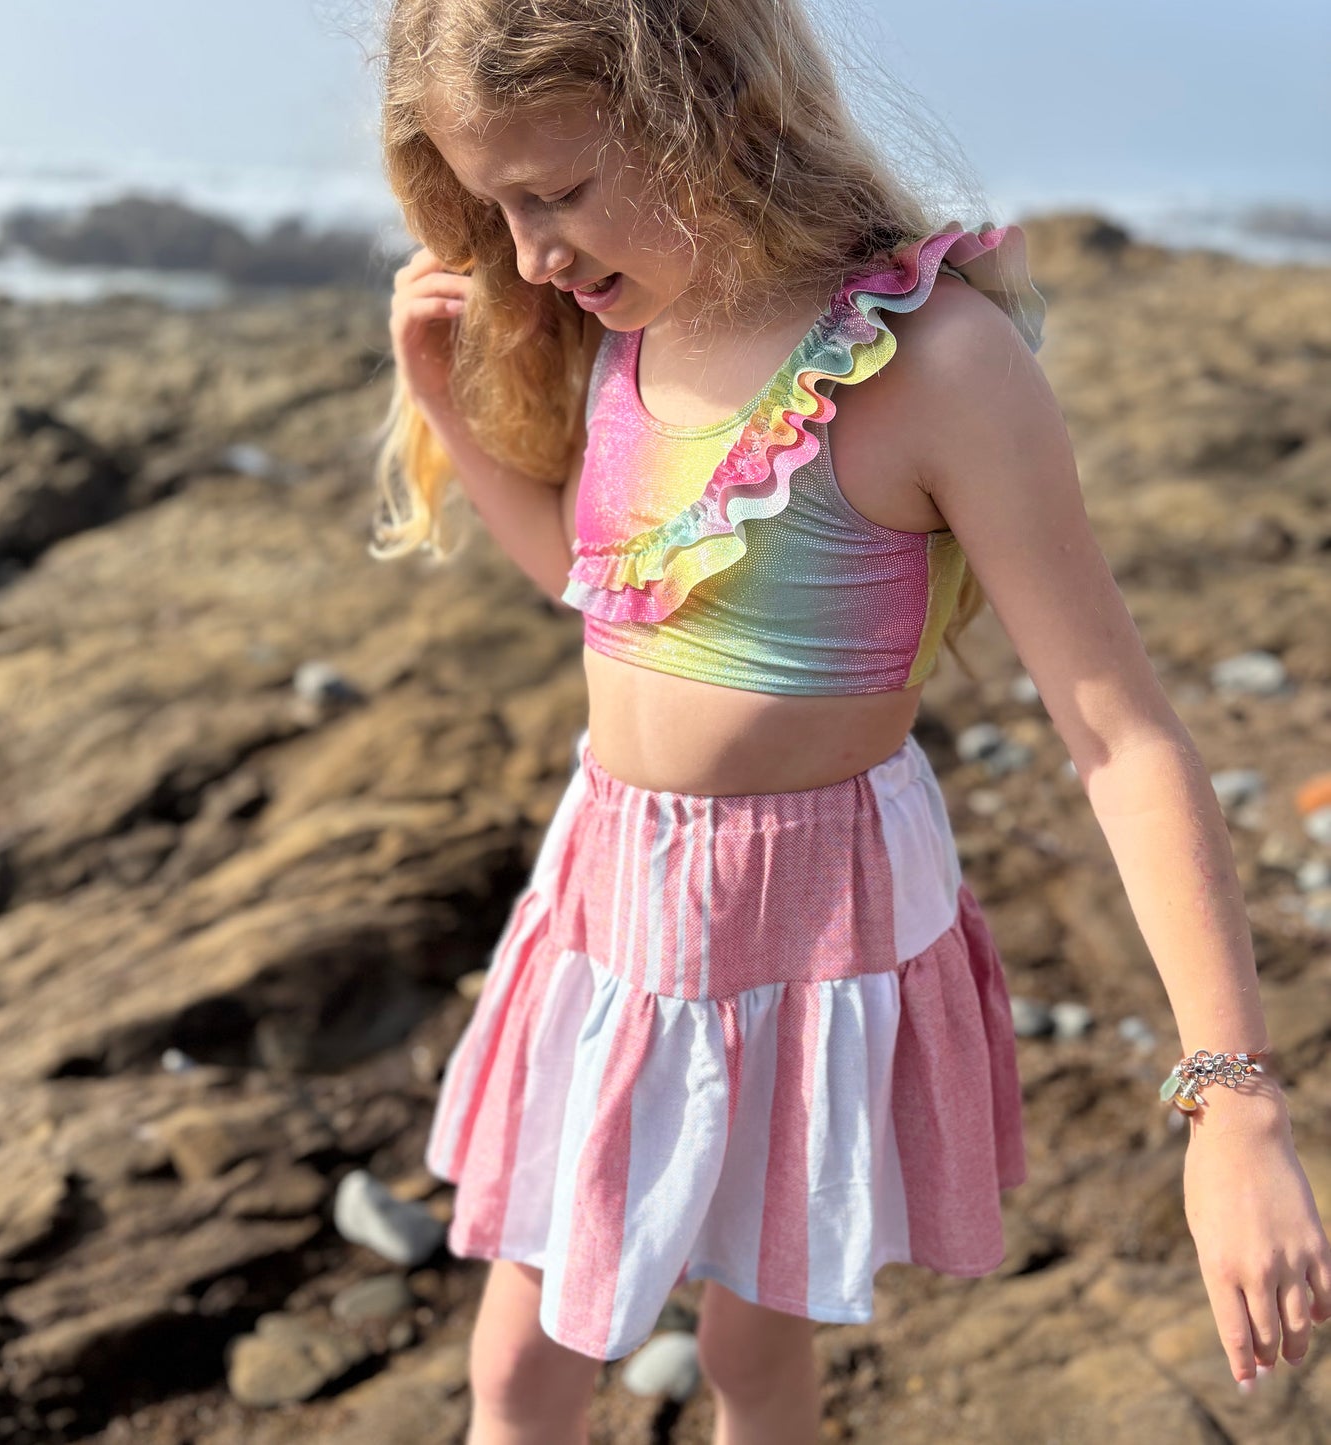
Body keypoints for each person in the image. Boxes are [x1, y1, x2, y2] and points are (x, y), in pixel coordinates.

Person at [362, 0, 1331, 1439]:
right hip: (608, 911)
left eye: (555, 192)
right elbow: (606, 585)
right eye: (496, 208)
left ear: (706, 110)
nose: (529, 255)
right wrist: (444, 407)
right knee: (516, 1370)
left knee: (758, 1365)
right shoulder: (632, 320)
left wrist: (1234, 1098)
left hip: (809, 935)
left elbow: (1121, 737)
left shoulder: (930, 367)